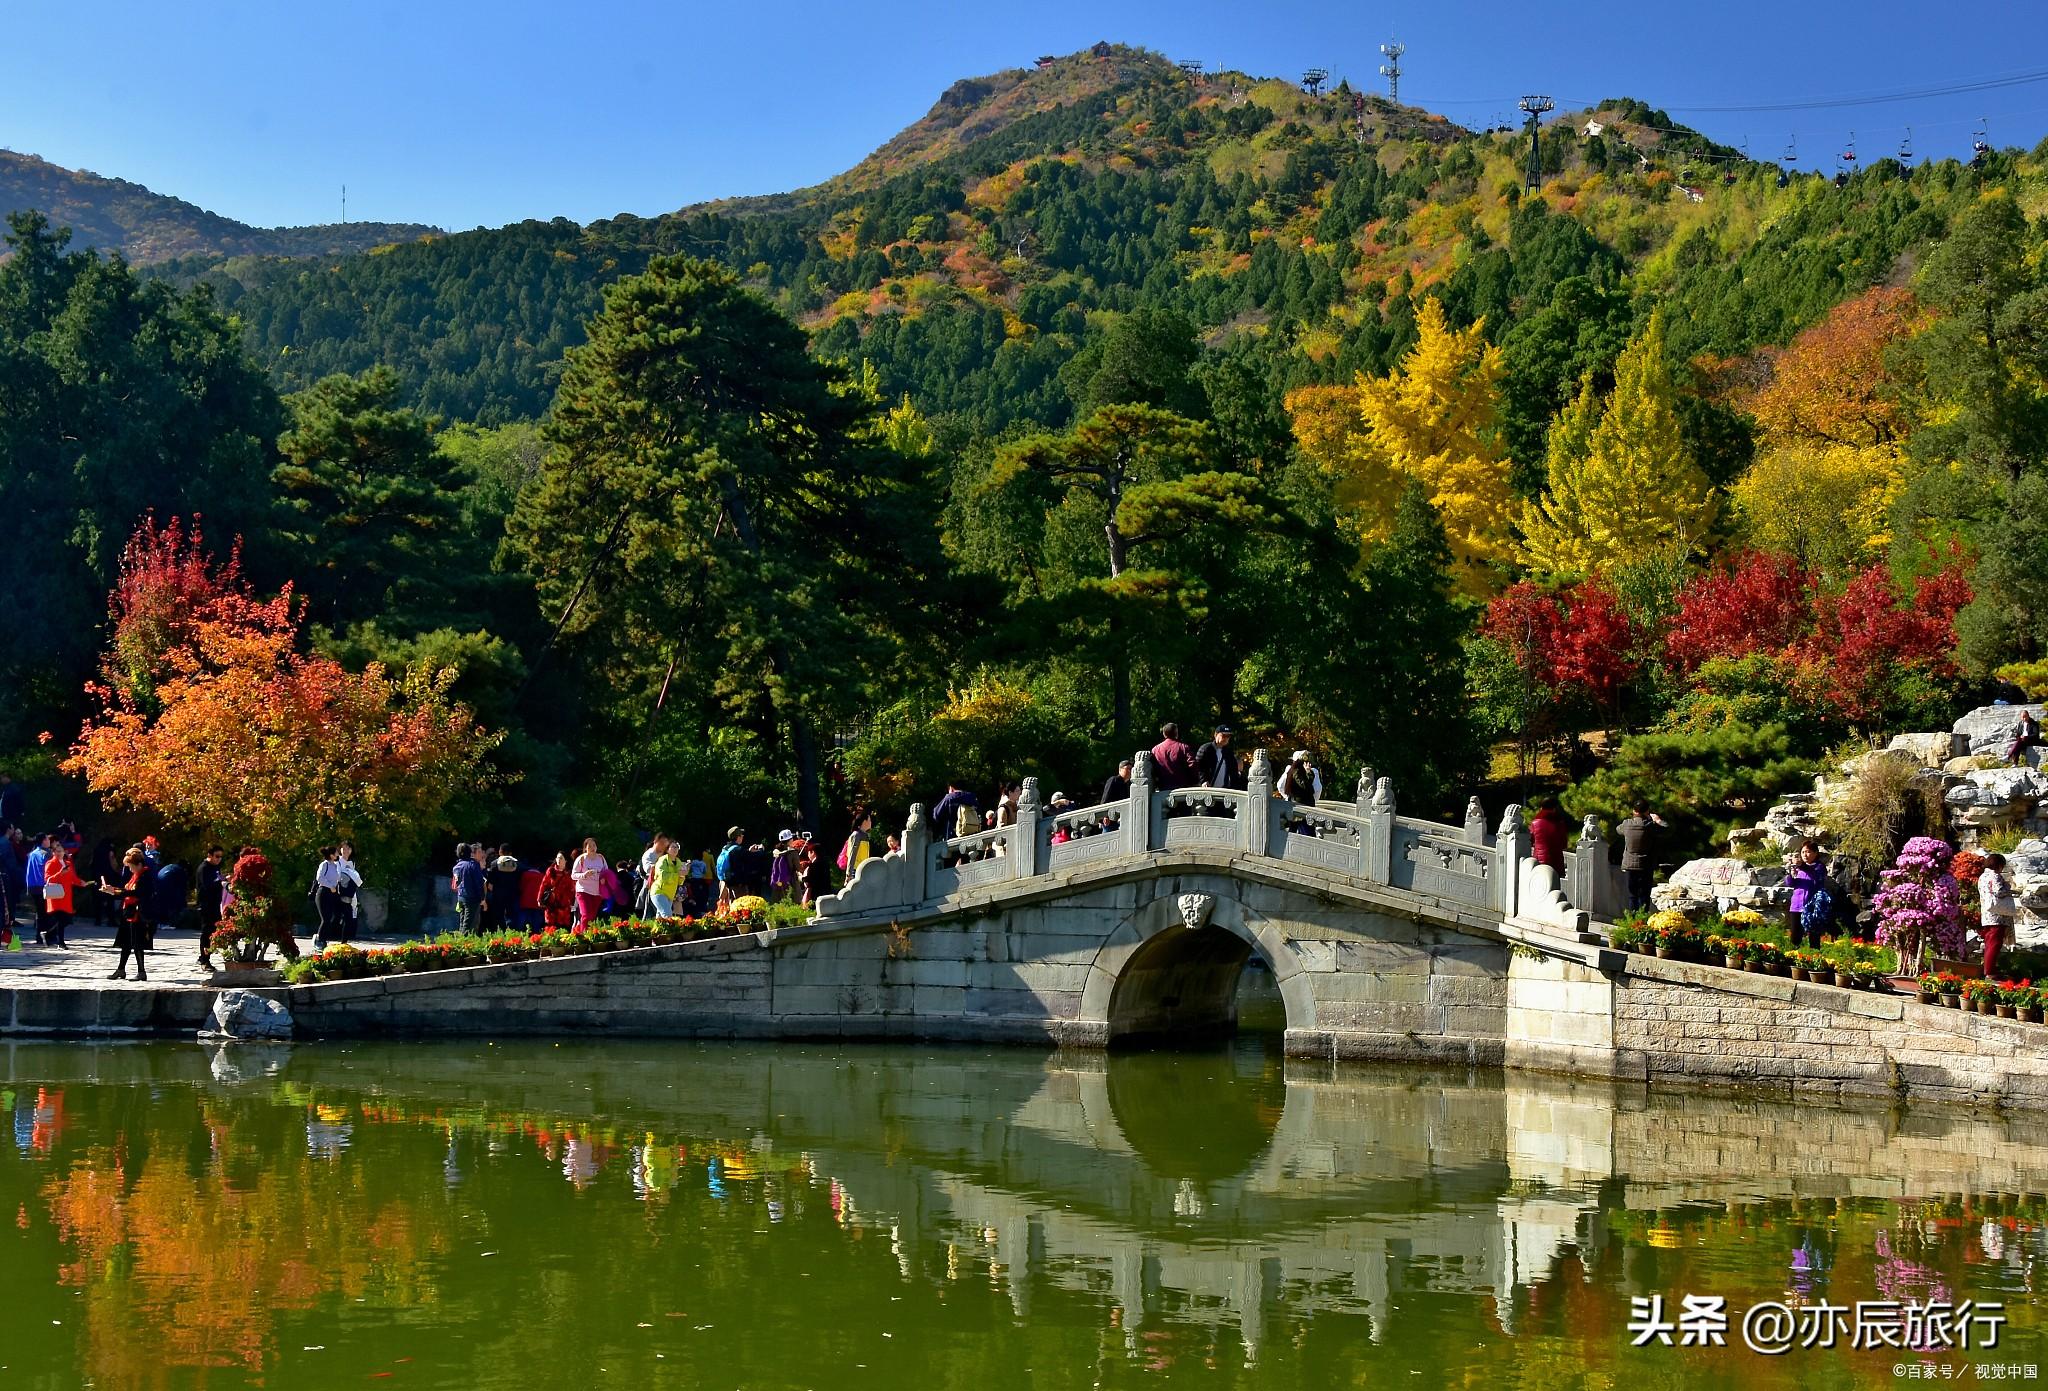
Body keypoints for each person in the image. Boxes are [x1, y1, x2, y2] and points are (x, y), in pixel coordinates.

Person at [100, 847, 151, 981]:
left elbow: (137, 893)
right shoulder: (135, 875)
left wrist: (117, 892)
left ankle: (141, 971)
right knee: (126, 943)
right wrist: (113, 890)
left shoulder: (145, 876)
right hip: (129, 912)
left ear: (139, 865)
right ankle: (121, 969)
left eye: (131, 867)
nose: (130, 869)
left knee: (137, 943)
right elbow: (127, 890)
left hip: (138, 913)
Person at [1615, 802, 1667, 912]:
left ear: (1634, 811)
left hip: (1630, 865)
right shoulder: (1650, 826)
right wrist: (1657, 820)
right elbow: (1665, 829)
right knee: (1644, 896)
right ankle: (1642, 921)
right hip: (1646, 866)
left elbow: (1618, 830)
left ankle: (1632, 921)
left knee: (1632, 895)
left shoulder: (1627, 824)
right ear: (1647, 811)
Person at [1784, 839, 1832, 948]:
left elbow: (1815, 876)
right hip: (1796, 906)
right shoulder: (1800, 868)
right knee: (1795, 936)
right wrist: (1790, 874)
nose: (1805, 855)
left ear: (1815, 853)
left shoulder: (1819, 867)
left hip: (1812, 906)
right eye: (1803, 852)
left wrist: (1801, 866)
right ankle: (1795, 957)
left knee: (1813, 936)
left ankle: (1813, 958)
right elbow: (1790, 884)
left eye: (1808, 852)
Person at [1979, 852, 2017, 977]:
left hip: (1987, 914)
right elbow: (1999, 892)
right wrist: (2010, 890)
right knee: (1995, 944)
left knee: (1990, 943)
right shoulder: (1995, 876)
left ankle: (1988, 969)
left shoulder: (1982, 877)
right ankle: (1990, 972)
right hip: (1998, 915)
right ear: (1999, 865)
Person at [312, 846, 358, 948]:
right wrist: (330, 886)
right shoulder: (325, 864)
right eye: (336, 853)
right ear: (331, 855)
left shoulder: (334, 866)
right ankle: (319, 940)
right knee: (325, 918)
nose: (338, 854)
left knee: (336, 915)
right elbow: (319, 878)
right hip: (324, 892)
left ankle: (330, 938)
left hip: (333, 894)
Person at [39, 843, 82, 949]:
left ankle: (48, 934)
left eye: (61, 851)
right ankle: (61, 942)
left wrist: (81, 883)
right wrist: (60, 873)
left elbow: (73, 878)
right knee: (61, 919)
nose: (59, 853)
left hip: (66, 896)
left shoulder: (68, 863)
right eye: (57, 851)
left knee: (66, 919)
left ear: (64, 852)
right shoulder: (50, 863)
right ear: (53, 852)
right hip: (56, 894)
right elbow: (48, 879)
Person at [196, 846, 227, 966]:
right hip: (205, 904)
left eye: (221, 857)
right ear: (210, 855)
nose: (219, 859)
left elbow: (217, 879)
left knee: (215, 930)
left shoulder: (216, 867)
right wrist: (220, 882)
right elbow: (208, 885)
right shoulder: (203, 868)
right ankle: (205, 959)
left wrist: (223, 879)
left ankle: (204, 955)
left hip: (215, 903)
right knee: (207, 931)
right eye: (217, 856)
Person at [149, 853, 188, 947]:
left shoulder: (170, 867)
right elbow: (182, 887)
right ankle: (164, 922)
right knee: (169, 903)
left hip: (159, 885)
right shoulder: (179, 870)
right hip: (167, 887)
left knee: (162, 903)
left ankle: (160, 922)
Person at [1150, 723, 1199, 792]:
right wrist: (1194, 781)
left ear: (1164, 734)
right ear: (1176, 733)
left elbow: (1153, 769)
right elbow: (1192, 765)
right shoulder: (1183, 747)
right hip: (1182, 789)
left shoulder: (1155, 750)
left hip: (1163, 789)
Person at [570, 838, 608, 925]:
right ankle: (584, 936)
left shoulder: (601, 858)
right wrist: (584, 875)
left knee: (592, 917)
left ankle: (585, 935)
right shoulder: (581, 859)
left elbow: (606, 872)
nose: (592, 848)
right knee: (586, 915)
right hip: (583, 890)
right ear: (585, 848)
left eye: (594, 845)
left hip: (597, 892)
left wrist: (604, 878)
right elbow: (573, 875)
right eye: (589, 846)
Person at [484, 850, 522, 934]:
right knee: (512, 915)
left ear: (500, 852)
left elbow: (490, 885)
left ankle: (498, 934)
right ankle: (512, 934)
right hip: (512, 895)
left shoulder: (494, 863)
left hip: (498, 895)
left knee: (497, 916)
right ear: (510, 853)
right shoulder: (517, 864)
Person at [1529, 798, 1571, 873]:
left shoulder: (1535, 823)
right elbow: (1564, 844)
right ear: (1555, 809)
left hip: (1540, 860)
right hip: (1556, 860)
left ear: (1541, 808)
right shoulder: (1560, 824)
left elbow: (1530, 840)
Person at [451, 843, 486, 934]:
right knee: (470, 924)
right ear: (470, 852)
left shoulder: (457, 866)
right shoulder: (473, 865)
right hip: (472, 898)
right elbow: (479, 883)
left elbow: (455, 884)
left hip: (461, 897)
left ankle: (459, 940)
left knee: (462, 922)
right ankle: (465, 944)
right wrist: (482, 898)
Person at [1195, 725, 1243, 790]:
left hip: (1223, 790)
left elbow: (1233, 772)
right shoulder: (1206, 749)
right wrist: (1203, 781)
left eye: (1228, 736)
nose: (1226, 738)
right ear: (1216, 735)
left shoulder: (1229, 753)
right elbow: (1198, 766)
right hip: (1206, 789)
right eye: (1223, 735)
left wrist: (1235, 787)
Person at [23, 832, 50, 946]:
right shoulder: (45, 853)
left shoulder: (33, 853)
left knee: (39, 911)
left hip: (32, 885)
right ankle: (43, 936)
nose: (49, 841)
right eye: (47, 839)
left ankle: (39, 936)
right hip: (42, 885)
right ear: (43, 840)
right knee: (44, 912)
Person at [538, 852, 576, 931]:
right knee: (550, 927)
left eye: (561, 858)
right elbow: (543, 885)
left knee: (563, 927)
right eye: (558, 858)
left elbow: (571, 889)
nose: (558, 860)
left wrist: (571, 902)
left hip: (564, 905)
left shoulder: (568, 873)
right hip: (551, 904)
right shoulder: (551, 871)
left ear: (565, 861)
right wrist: (539, 898)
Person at [841, 810, 875, 879]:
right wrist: (849, 873)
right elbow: (852, 854)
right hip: (855, 870)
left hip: (863, 869)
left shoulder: (865, 835)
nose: (871, 822)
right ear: (864, 822)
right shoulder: (856, 835)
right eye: (869, 820)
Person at [518, 857, 545, 932]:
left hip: (525, 901)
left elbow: (521, 887)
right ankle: (536, 936)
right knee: (536, 921)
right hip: (536, 902)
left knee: (523, 920)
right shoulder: (542, 876)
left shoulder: (525, 874)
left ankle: (522, 934)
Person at [769, 830, 798, 900]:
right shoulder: (788, 854)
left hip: (776, 882)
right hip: (784, 884)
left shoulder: (777, 851)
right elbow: (783, 871)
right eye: (792, 839)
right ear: (789, 840)